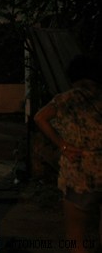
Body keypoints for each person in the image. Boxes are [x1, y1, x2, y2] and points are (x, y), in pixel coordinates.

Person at [34, 54, 102, 253]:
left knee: (75, 238)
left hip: (79, 172)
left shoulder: (67, 99)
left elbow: (39, 117)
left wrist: (62, 145)